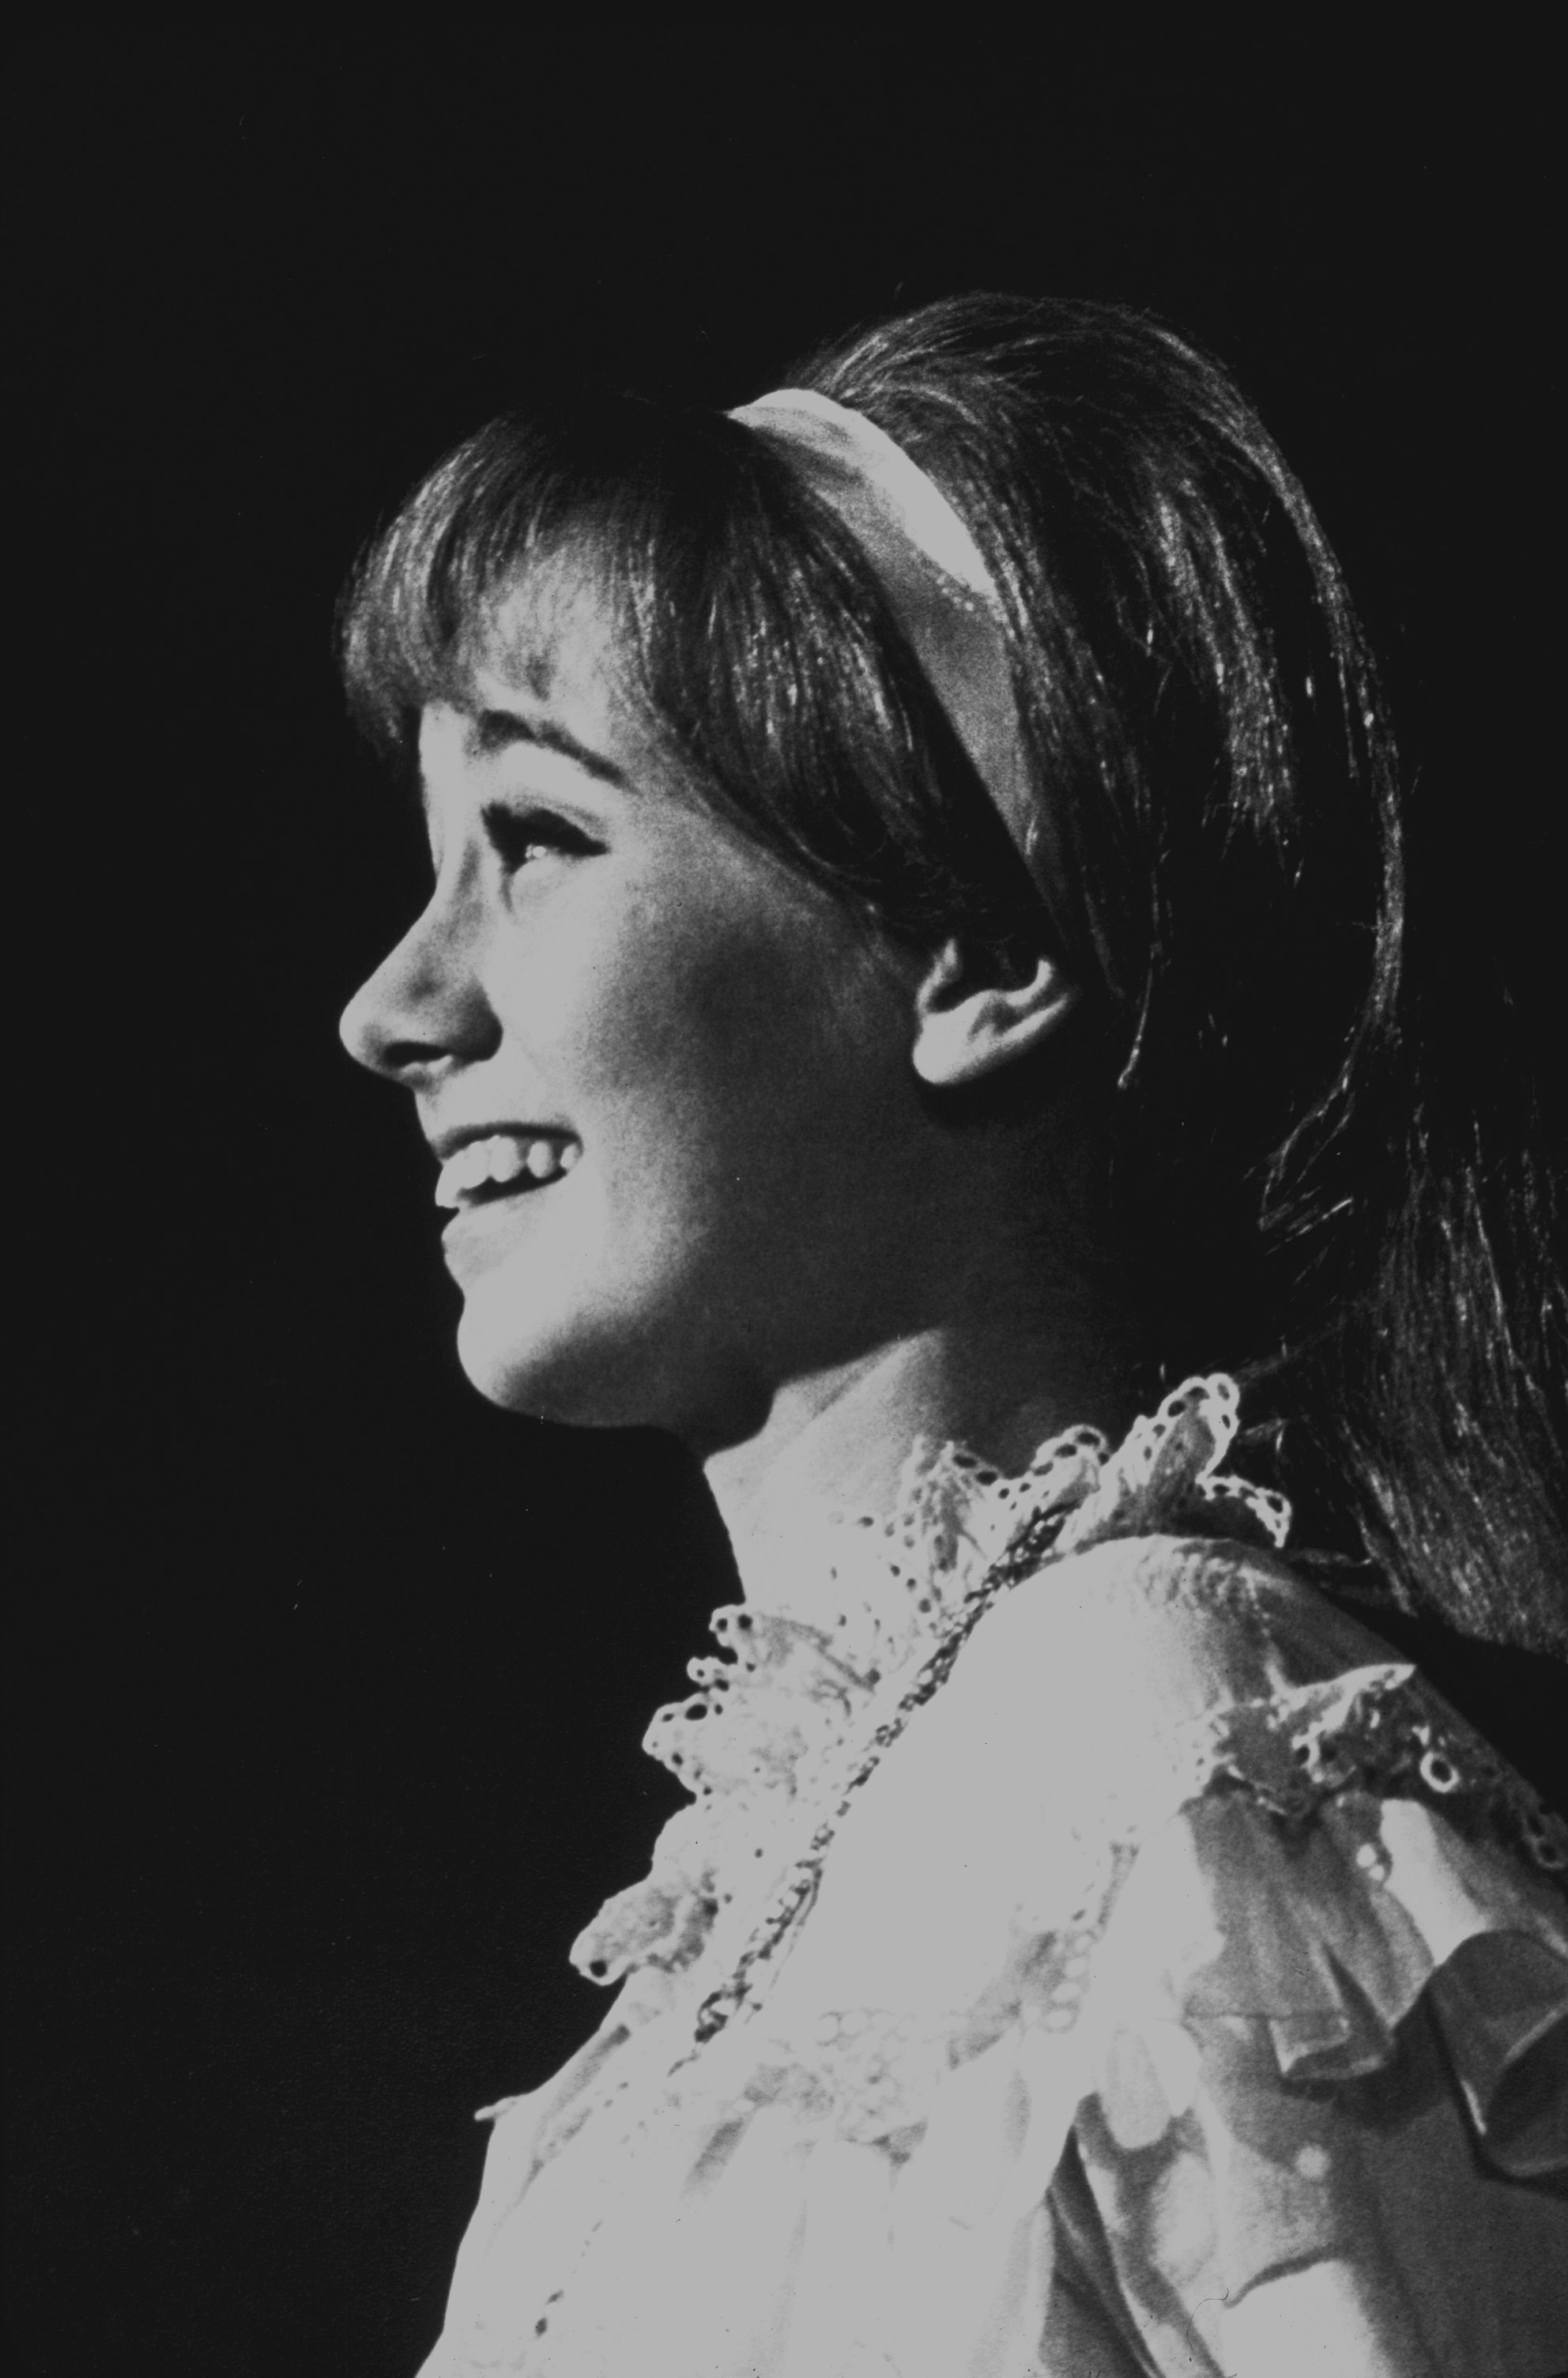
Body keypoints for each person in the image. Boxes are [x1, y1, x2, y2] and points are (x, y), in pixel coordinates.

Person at [337, 296, 1568, 2377]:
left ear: (977, 949)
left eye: (536, 842)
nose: (391, 1009)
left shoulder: (1161, 1761)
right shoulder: (710, 1995)